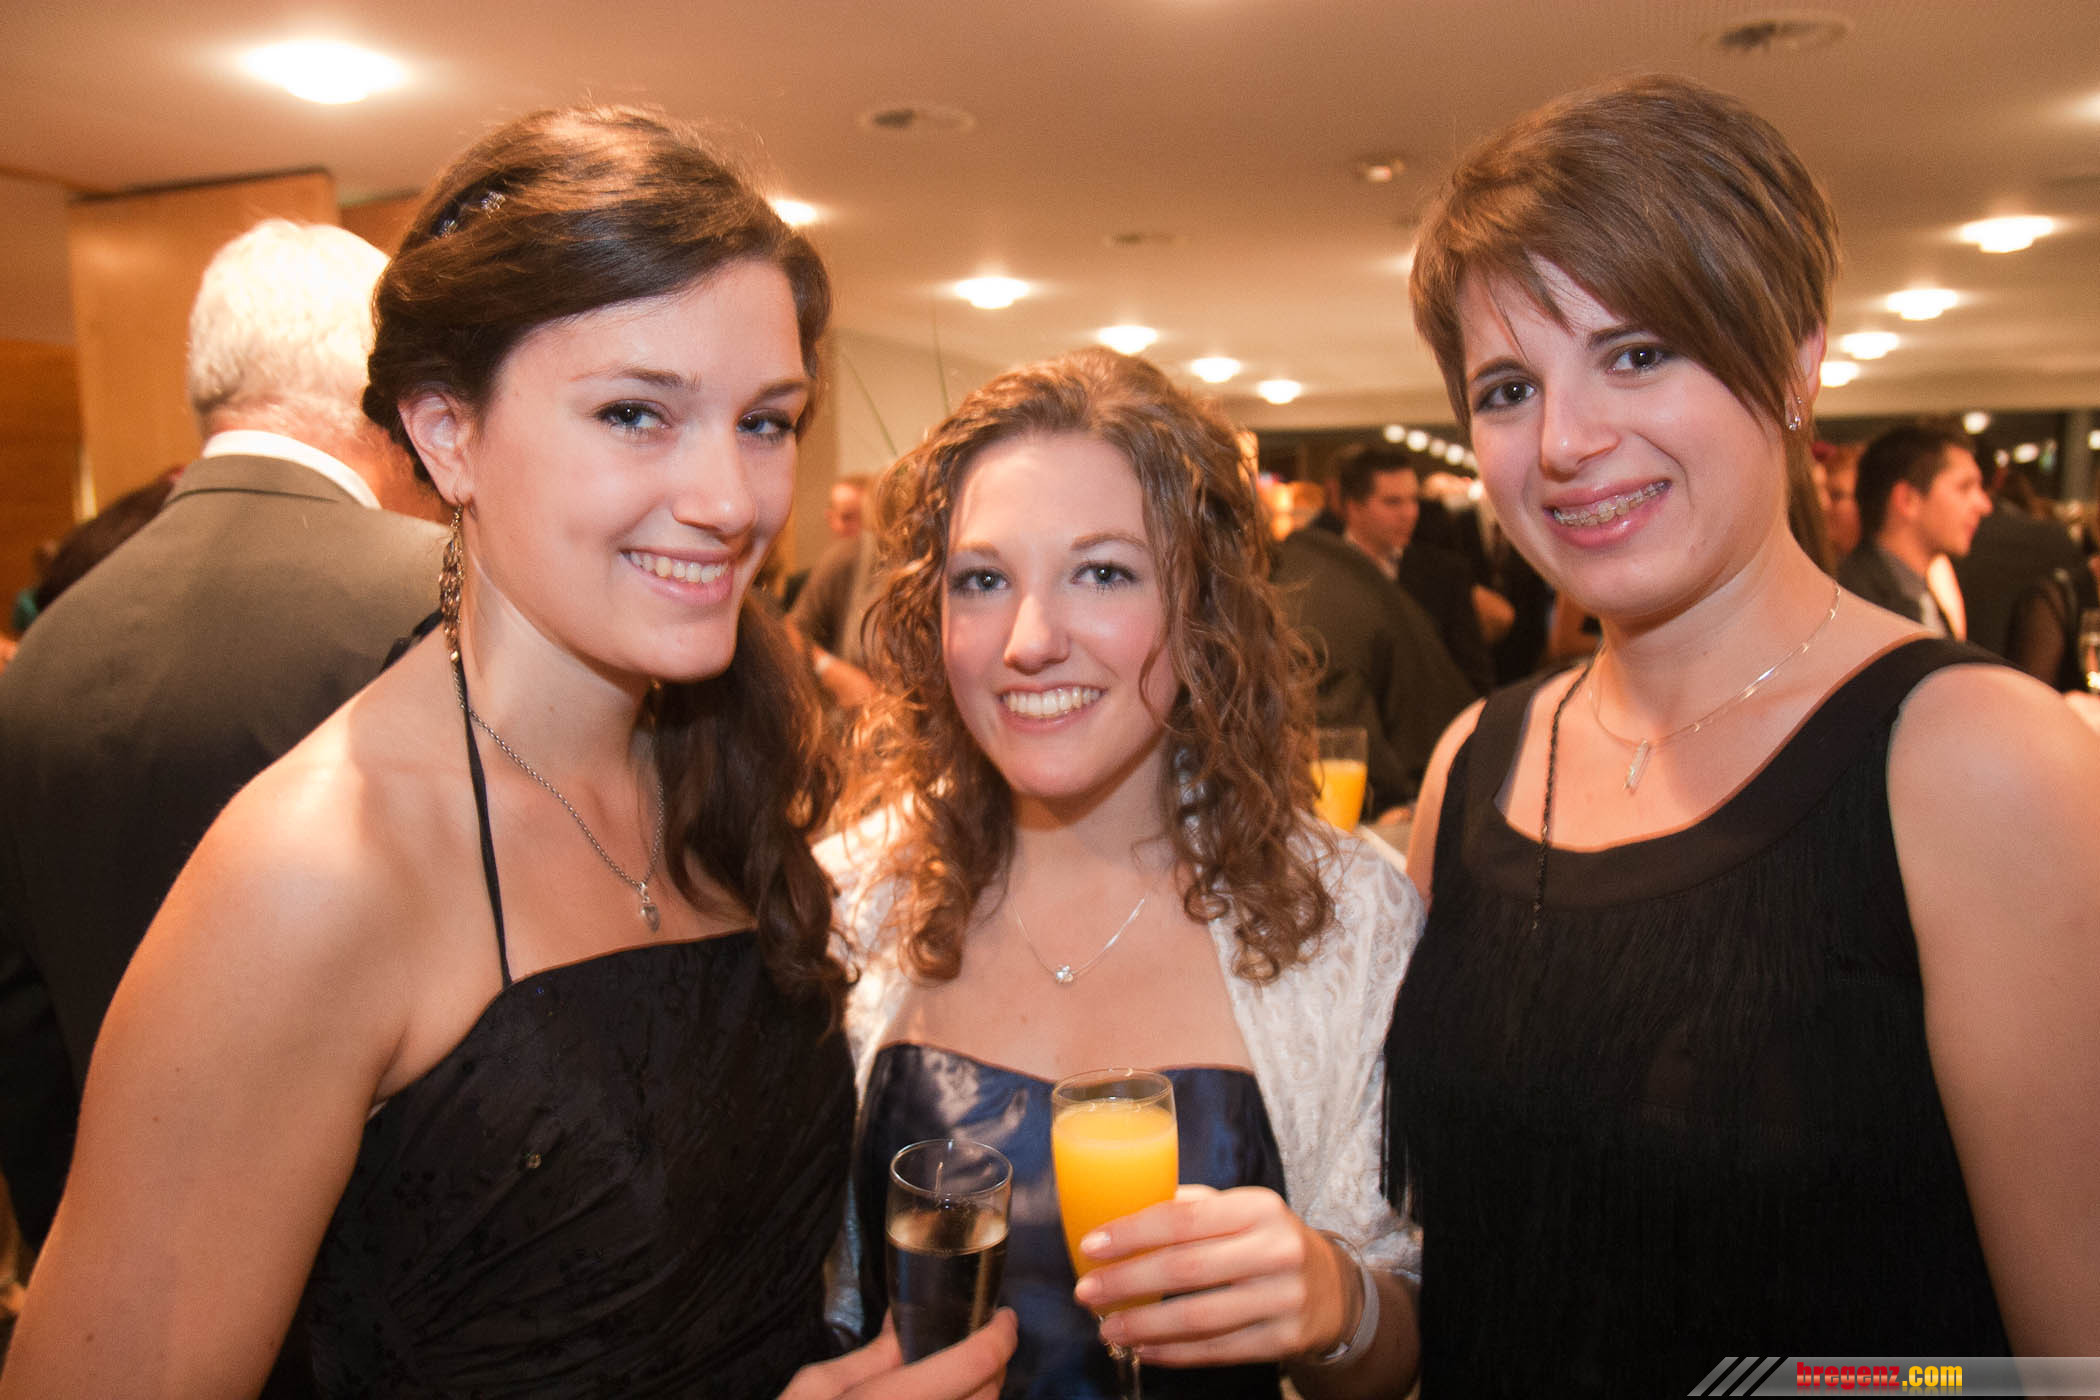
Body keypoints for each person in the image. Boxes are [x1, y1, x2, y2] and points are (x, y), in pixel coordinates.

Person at [0, 105, 1010, 1400]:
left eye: (766, 421)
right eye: (636, 413)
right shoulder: (312, 875)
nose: (730, 499)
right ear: (446, 431)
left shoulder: (715, 762)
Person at [1385, 75, 2100, 1397]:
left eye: (1637, 354)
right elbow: (1475, 1255)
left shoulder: (1978, 758)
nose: (1566, 442)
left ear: (1795, 362)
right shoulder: (1477, 761)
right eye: (1507, 387)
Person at [824, 348, 1422, 1399]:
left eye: (1102, 573)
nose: (1030, 641)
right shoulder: (851, 899)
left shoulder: (1346, 916)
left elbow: (1404, 1341)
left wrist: (1337, 1301)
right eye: (982, 580)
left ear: (1202, 606)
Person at [0, 222, 445, 1288]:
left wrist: (77, 1263)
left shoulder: (51, 638)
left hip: (126, 1267)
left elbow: (24, 1020)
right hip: (388, 1274)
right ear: (382, 391)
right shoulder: (437, 596)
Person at [1331, 444, 1494, 695]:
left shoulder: (1444, 573)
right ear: (1354, 506)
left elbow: (1472, 675)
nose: (1409, 513)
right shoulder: (1326, 569)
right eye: (1393, 502)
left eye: (1413, 500)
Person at [1837, 423, 1991, 635]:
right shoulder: (1855, 601)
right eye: (1964, 487)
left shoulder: (1920, 591)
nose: (1984, 505)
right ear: (1907, 499)